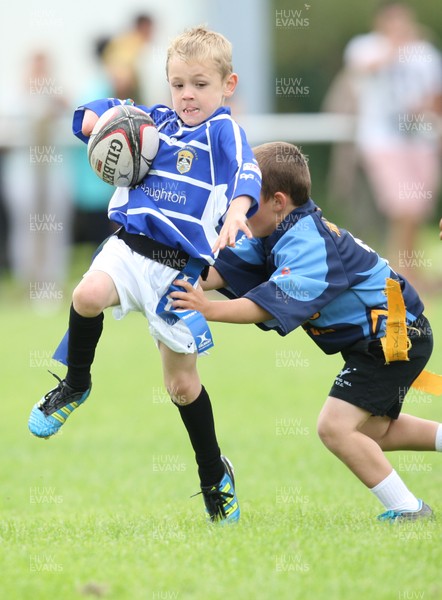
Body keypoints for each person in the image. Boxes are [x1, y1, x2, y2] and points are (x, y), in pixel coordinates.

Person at [28, 26, 262, 524]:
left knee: (181, 386)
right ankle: (75, 384)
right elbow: (101, 109)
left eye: (200, 84)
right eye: (178, 84)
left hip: (178, 274)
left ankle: (213, 475)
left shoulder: (224, 131)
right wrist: (95, 118)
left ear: (228, 85)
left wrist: (240, 210)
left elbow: (247, 171)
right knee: (87, 293)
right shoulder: (153, 121)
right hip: (129, 247)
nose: (188, 95)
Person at [171, 141, 442, 522]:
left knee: (334, 428)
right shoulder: (274, 231)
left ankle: (408, 509)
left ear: (278, 202)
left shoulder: (308, 243)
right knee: (374, 431)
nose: (241, 209)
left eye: (249, 201)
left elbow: (266, 304)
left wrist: (206, 309)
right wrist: (168, 276)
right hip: (384, 337)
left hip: (396, 335)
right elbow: (223, 270)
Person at [342, 2, 442, 287]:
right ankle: (401, 273)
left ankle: (408, 271)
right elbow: (366, 67)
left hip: (421, 138)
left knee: (418, 208)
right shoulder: (365, 46)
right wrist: (398, 47)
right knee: (403, 205)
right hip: (382, 138)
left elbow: (435, 95)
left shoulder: (425, 53)